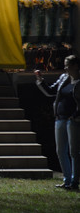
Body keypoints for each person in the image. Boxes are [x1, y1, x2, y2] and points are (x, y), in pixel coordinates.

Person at [35, 55, 80, 190]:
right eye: (65, 65)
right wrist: (40, 80)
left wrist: (75, 116)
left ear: (76, 66)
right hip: (60, 118)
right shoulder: (64, 78)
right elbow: (50, 91)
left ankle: (74, 181)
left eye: (68, 65)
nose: (65, 68)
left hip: (73, 120)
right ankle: (67, 180)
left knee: (74, 152)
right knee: (61, 151)